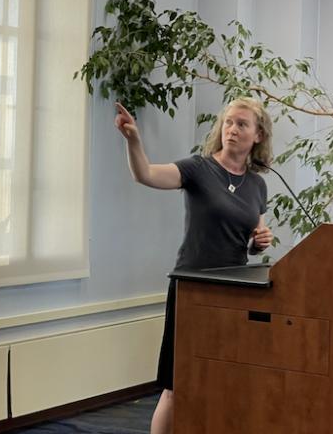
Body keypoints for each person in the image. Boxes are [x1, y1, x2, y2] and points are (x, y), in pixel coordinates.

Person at [114, 96, 274, 434]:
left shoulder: (258, 185)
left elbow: (253, 239)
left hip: (234, 291)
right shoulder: (199, 169)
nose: (232, 129)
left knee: (222, 381)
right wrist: (134, 141)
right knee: (177, 385)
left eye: (242, 124)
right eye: (229, 122)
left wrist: (260, 242)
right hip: (192, 287)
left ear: (258, 135)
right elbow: (145, 174)